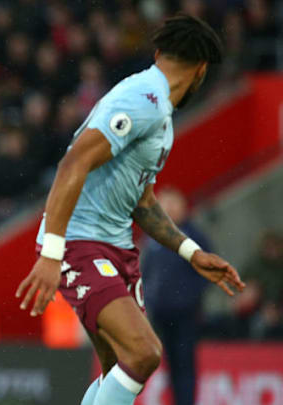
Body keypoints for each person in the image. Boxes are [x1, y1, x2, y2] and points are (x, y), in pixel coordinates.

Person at [15, 15, 245, 405]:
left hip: (117, 249)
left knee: (119, 368)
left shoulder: (160, 115)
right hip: (80, 243)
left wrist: (191, 252)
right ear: (201, 71)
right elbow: (73, 163)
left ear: (159, 53)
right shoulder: (144, 99)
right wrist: (54, 253)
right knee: (144, 352)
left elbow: (142, 202)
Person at [141, 188, 210, 405]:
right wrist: (149, 300)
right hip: (161, 313)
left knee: (185, 365)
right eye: (165, 203)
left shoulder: (194, 235)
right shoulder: (153, 236)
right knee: (169, 364)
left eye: (173, 203)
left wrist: (189, 298)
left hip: (185, 314)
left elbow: (207, 273)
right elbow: (146, 271)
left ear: (183, 207)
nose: (169, 208)